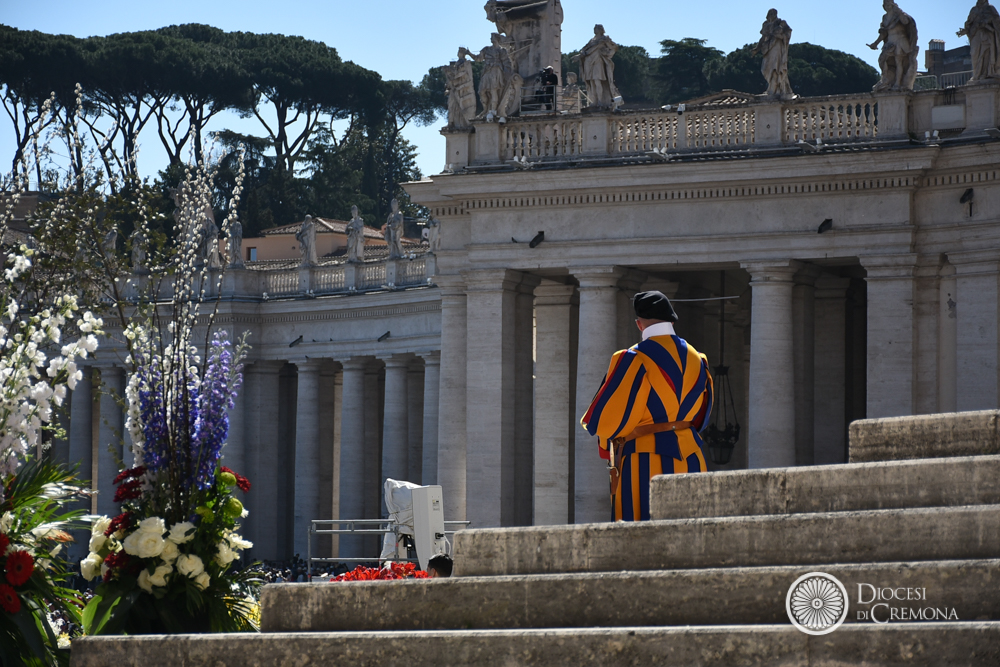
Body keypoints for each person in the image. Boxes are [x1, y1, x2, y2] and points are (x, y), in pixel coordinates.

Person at [581, 291, 713, 522]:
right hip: (692, 457)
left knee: (641, 532)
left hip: (645, 460)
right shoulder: (698, 358)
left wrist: (605, 443)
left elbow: (607, 422)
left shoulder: (633, 358)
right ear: (672, 321)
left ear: (639, 324)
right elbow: (702, 415)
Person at [754, 9, 794, 99]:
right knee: (765, 68)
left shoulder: (781, 23)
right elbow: (763, 37)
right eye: (770, 13)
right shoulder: (765, 24)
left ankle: (773, 89)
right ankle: (772, 88)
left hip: (777, 47)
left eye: (774, 13)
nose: (772, 15)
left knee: (775, 67)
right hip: (767, 48)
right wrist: (757, 48)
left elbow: (788, 34)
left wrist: (779, 35)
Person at [959, 0, 1000, 82]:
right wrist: (965, 30)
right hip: (976, 34)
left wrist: (988, 20)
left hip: (987, 34)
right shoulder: (974, 9)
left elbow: (997, 21)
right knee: (974, 53)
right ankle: (976, 74)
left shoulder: (990, 8)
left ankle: (985, 74)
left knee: (986, 53)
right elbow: (969, 23)